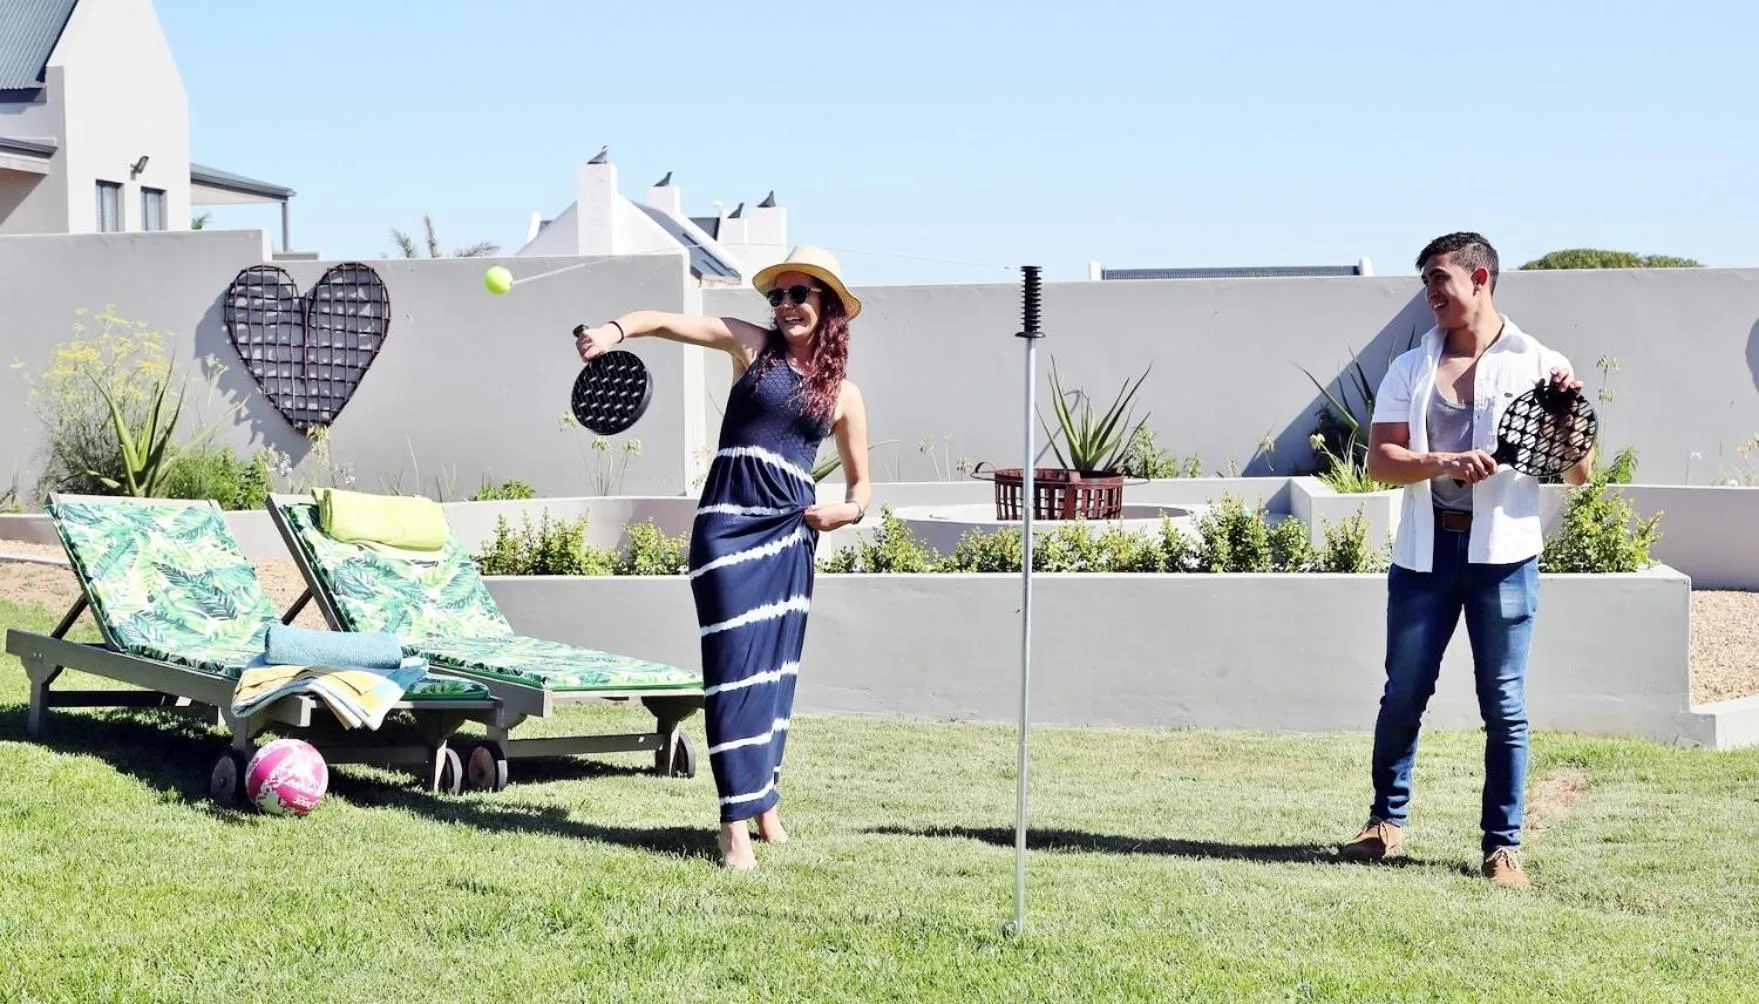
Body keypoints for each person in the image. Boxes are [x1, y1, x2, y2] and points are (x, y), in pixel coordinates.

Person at [573, 245, 872, 871]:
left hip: (789, 532)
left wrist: (845, 512)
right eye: (778, 296)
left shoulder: (846, 396)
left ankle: (764, 804)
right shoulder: (752, 348)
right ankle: (733, 823)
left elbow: (862, 491)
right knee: (733, 668)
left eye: (799, 295)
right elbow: (665, 321)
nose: (786, 306)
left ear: (829, 305)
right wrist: (612, 331)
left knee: (774, 670)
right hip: (727, 525)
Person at [1339, 232, 1594, 889]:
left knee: (1503, 705)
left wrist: (1566, 415)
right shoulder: (1409, 368)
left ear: (1479, 278)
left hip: (1503, 557)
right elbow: (1379, 462)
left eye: (1439, 280)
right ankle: (1383, 824)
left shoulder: (1539, 362)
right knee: (1403, 694)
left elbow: (1578, 471)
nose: (1430, 294)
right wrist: (1444, 462)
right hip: (1426, 553)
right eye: (1425, 282)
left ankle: (1502, 848)